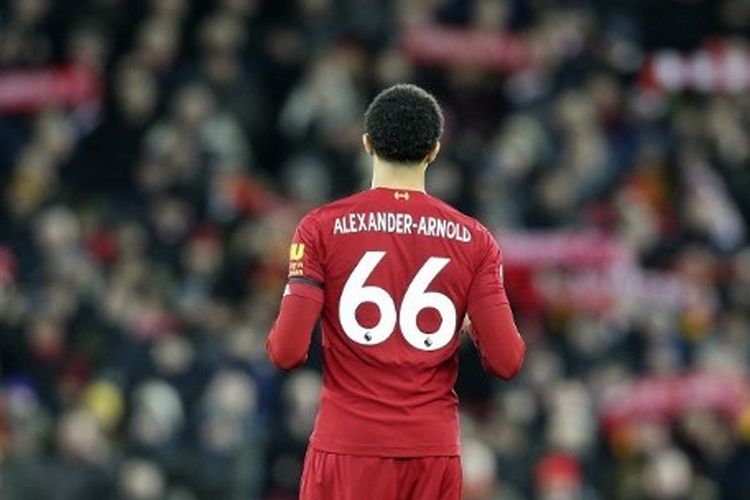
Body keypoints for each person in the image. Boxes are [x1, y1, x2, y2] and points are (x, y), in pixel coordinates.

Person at [266, 83, 525, 500]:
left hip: (347, 446)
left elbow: (286, 352)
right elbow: (507, 360)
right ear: (434, 150)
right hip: (431, 451)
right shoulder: (474, 240)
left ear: (367, 144)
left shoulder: (320, 229)